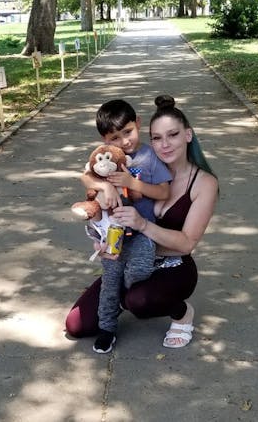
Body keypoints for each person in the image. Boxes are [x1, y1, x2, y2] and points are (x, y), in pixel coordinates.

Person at [66, 95, 218, 350]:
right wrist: (106, 240)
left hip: (173, 263)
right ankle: (120, 296)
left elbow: (187, 244)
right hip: (125, 256)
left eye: (173, 135)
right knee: (76, 326)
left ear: (188, 135)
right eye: (157, 137)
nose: (165, 144)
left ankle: (181, 312)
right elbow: (89, 176)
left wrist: (142, 226)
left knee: (140, 300)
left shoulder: (204, 183)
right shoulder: (139, 162)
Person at [79, 99, 172, 354]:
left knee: (138, 271)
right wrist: (106, 186)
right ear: (105, 139)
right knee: (110, 280)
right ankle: (107, 328)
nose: (124, 142)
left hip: (142, 231)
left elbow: (164, 191)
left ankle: (125, 294)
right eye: (115, 138)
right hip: (113, 233)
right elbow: (85, 176)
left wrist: (134, 183)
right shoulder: (104, 158)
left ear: (138, 123)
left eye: (128, 132)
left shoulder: (149, 156)